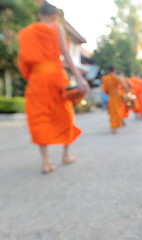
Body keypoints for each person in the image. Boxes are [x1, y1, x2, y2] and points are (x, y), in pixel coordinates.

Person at [17, 1, 89, 174]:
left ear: (40, 15)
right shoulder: (56, 27)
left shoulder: (26, 33)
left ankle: (46, 162)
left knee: (39, 118)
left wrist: (30, 75)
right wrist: (79, 77)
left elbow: (22, 61)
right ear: (55, 15)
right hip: (56, 78)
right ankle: (65, 155)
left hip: (36, 80)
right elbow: (65, 54)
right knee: (65, 115)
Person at [101, 66, 126, 134]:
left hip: (111, 96)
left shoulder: (105, 78)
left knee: (112, 112)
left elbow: (104, 90)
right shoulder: (116, 77)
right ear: (114, 70)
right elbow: (124, 86)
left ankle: (113, 126)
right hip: (117, 96)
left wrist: (109, 92)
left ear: (108, 70)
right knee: (117, 111)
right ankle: (115, 127)